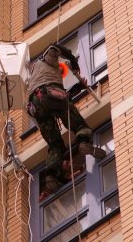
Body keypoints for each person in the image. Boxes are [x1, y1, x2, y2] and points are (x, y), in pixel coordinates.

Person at [26, 44, 106, 179]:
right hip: (48, 96)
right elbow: (52, 47)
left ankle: (51, 177)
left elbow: (59, 97)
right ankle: (83, 142)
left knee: (55, 144)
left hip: (36, 108)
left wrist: (78, 87)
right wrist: (73, 60)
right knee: (78, 123)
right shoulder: (47, 60)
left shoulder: (33, 77)